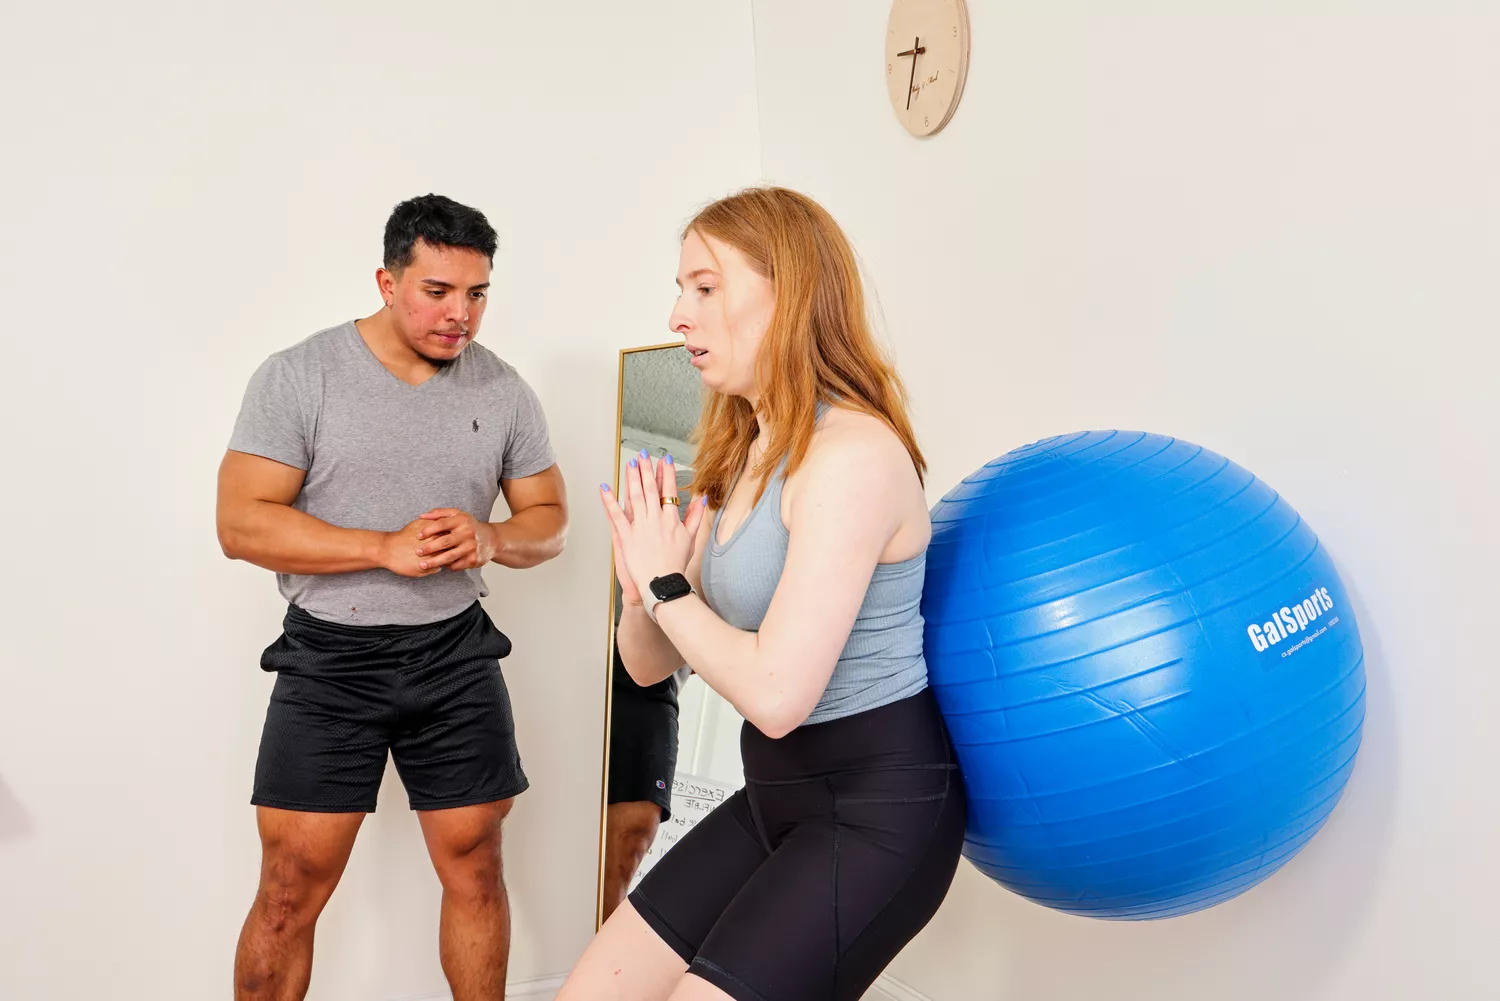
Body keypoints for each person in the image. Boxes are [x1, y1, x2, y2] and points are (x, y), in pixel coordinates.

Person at [560, 187, 965, 1001]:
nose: (679, 314)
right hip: (773, 793)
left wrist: (673, 587)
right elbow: (645, 667)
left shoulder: (852, 453)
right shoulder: (741, 456)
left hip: (879, 812)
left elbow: (778, 695)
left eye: (705, 287)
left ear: (788, 293)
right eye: (680, 289)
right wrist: (645, 590)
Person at [216, 193, 568, 1001]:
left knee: (477, 860)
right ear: (386, 280)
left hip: (454, 652)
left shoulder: (503, 390)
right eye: (437, 291)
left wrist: (491, 538)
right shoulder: (301, 375)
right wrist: (380, 548)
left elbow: (550, 522)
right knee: (288, 885)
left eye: (477, 293)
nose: (461, 315)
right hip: (330, 657)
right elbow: (239, 522)